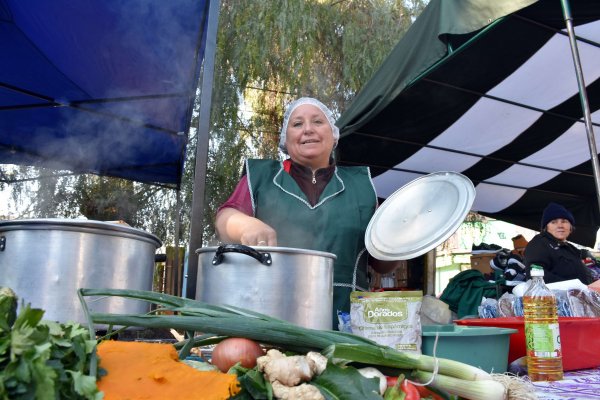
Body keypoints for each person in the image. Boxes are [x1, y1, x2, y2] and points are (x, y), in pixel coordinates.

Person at [215, 97, 397, 329]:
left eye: (318, 122)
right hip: (270, 318)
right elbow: (225, 218)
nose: (308, 129)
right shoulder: (261, 177)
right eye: (297, 124)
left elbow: (383, 264)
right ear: (285, 138)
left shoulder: (362, 187)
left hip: (347, 324)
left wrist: (400, 239)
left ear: (334, 135)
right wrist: (244, 225)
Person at [524, 202, 594, 285]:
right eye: (554, 222)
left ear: (570, 227)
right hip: (559, 296)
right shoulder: (540, 243)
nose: (560, 225)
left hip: (583, 294)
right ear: (546, 227)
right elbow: (534, 273)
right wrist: (573, 286)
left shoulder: (569, 247)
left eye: (564, 221)